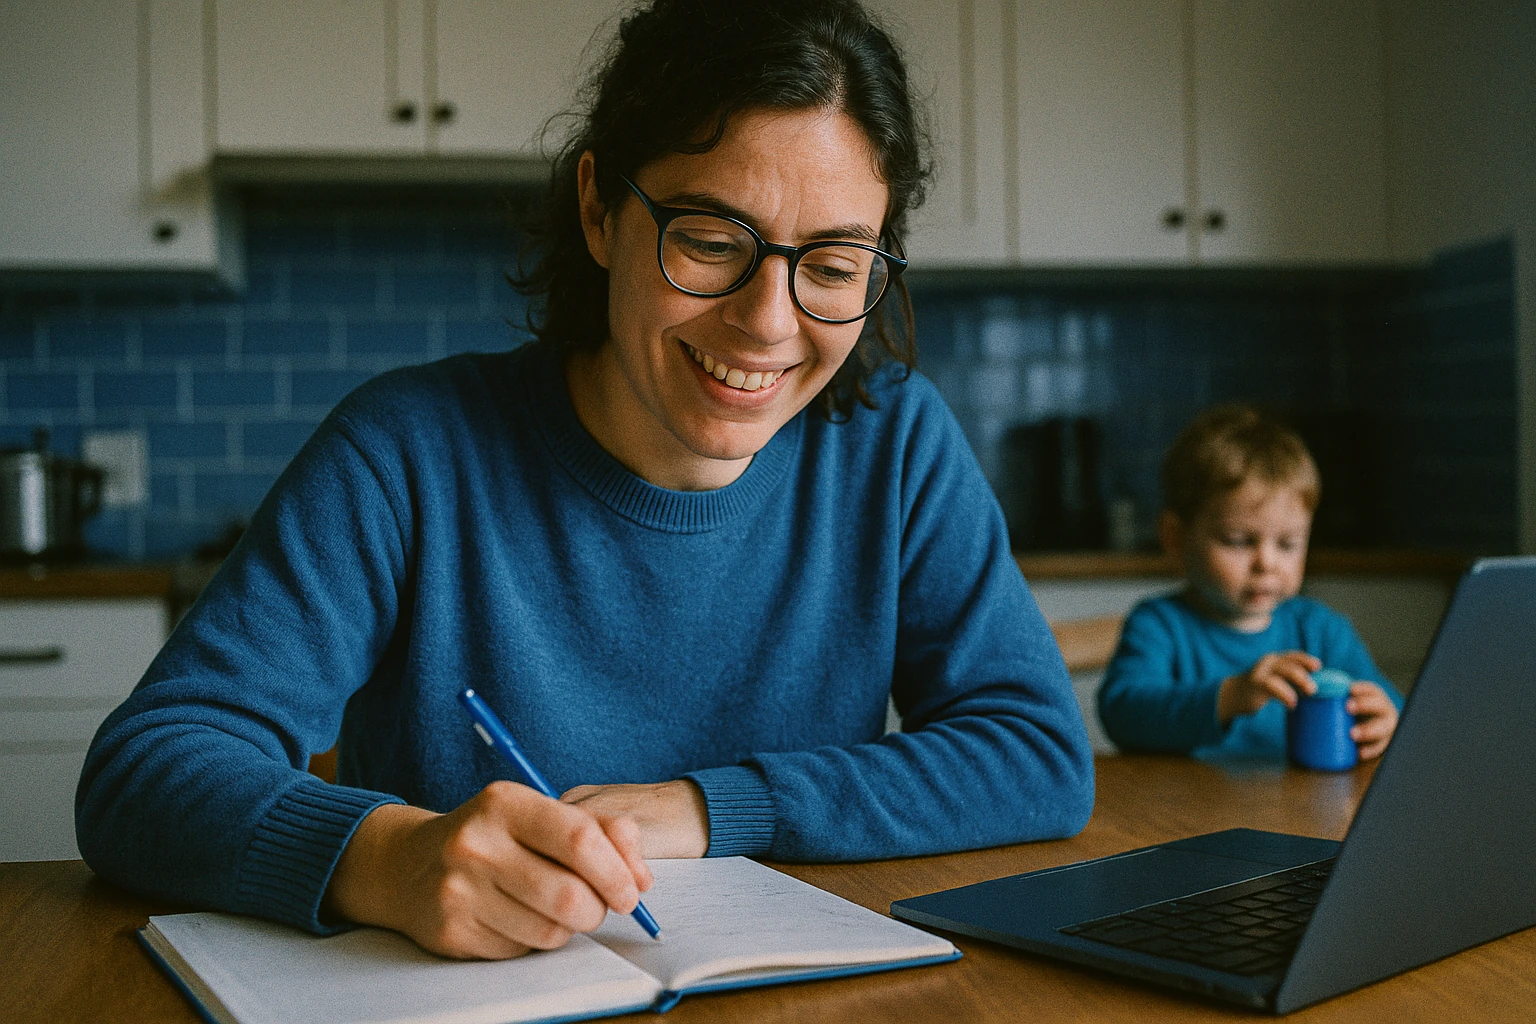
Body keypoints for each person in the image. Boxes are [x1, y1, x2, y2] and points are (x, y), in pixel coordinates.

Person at [76, 0, 1093, 963]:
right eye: (710, 242)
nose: (768, 322)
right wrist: (387, 860)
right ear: (601, 209)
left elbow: (1035, 751)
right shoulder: (406, 452)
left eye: (832, 266)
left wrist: (709, 807)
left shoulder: (896, 446)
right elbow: (144, 771)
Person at [1097, 404, 1402, 761]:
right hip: (1186, 799)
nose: (1266, 563)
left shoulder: (1322, 631)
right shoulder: (1158, 626)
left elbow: (1396, 711)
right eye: (1238, 541)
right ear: (1175, 538)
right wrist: (1229, 697)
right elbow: (1122, 713)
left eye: (1287, 544)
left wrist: (1387, 720)